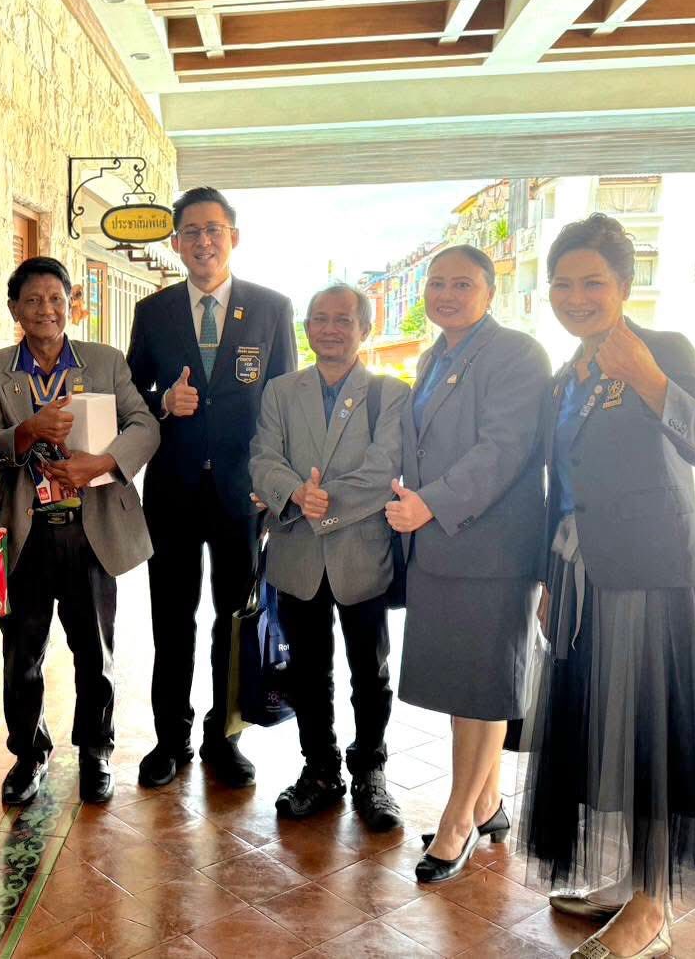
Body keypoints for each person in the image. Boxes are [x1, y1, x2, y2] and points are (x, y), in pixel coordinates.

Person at [521, 214, 695, 959]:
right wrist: (549, 578)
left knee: (654, 735)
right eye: (562, 284)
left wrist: (647, 378)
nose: (576, 297)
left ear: (624, 285)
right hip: (583, 577)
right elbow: (560, 488)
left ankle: (652, 910)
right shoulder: (565, 378)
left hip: (659, 574)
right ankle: (629, 879)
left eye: (593, 283)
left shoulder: (663, 349)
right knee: (605, 733)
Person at [385, 244, 549, 884]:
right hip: (440, 545)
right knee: (465, 687)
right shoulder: (434, 358)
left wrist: (429, 503)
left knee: (484, 690)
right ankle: (486, 804)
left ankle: (458, 823)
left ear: (490, 292)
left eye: (462, 284)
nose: (446, 295)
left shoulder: (516, 354)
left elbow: (503, 450)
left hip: (491, 549)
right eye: (437, 283)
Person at [0, 256, 159, 806]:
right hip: (23, 531)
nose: (45, 310)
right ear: (15, 309)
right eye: (32, 300)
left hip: (90, 527)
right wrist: (27, 430)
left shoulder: (105, 362)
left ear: (70, 304)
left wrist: (101, 463)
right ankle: (28, 754)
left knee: (94, 651)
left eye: (55, 299)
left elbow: (144, 424)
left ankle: (96, 751)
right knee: (21, 652)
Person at [127, 186, 296, 789]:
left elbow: (285, 402)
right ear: (176, 243)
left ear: (234, 237)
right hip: (172, 493)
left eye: (214, 230)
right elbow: (130, 396)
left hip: (241, 495)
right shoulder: (153, 311)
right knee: (171, 620)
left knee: (234, 618)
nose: (203, 242)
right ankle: (169, 738)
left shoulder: (271, 308)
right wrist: (162, 402)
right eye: (192, 232)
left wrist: (275, 486)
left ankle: (225, 738)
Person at [249, 284, 406, 825]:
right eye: (320, 318)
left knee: (371, 671)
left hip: (361, 554)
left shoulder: (388, 393)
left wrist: (322, 504)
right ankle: (319, 769)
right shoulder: (280, 391)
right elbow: (263, 457)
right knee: (307, 671)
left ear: (364, 328)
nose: (330, 329)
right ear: (307, 326)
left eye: (343, 319)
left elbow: (385, 469)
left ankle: (370, 771)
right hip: (296, 554)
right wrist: (294, 492)